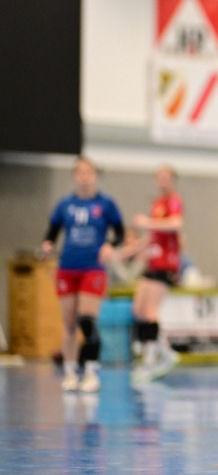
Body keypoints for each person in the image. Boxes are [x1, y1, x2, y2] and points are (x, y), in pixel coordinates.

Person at [41, 156, 125, 393]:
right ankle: (70, 372)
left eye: (88, 172)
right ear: (74, 176)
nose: (84, 177)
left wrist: (111, 245)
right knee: (68, 323)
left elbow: (119, 232)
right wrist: (47, 245)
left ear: (95, 175)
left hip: (93, 268)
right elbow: (52, 231)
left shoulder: (106, 204)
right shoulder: (65, 204)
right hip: (68, 267)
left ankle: (90, 372)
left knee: (86, 319)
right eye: (80, 172)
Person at [130, 165, 183, 382]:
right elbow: (154, 234)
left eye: (166, 177)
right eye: (159, 177)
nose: (162, 180)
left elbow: (176, 224)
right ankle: (167, 352)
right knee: (139, 309)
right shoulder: (156, 203)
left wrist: (148, 223)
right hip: (153, 261)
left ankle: (150, 360)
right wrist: (135, 248)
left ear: (172, 180)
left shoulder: (174, 201)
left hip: (166, 263)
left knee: (151, 311)